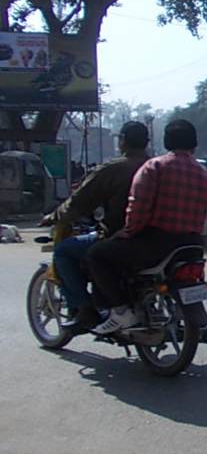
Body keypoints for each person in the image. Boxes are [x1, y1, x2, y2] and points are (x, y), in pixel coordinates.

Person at [87, 119, 207, 334]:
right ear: (194, 144)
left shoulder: (155, 167)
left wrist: (126, 232)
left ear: (166, 141)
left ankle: (120, 311)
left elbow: (138, 206)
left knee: (97, 254)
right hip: (192, 245)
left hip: (155, 243)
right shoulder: (204, 175)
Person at [40, 121, 150, 334]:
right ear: (146, 143)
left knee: (64, 251)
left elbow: (79, 202)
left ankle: (84, 309)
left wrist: (54, 217)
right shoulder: (157, 166)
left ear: (123, 141)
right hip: (155, 238)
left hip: (119, 236)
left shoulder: (114, 169)